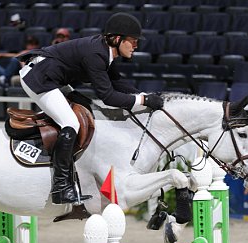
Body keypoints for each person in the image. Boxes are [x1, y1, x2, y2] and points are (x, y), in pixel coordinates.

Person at [18, 12, 164, 204]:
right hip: (40, 78)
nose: (136, 45)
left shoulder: (105, 51)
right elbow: (108, 96)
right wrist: (143, 101)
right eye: (133, 40)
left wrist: (144, 95)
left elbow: (116, 81)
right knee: (70, 123)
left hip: (55, 78)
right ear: (117, 39)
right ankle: (61, 187)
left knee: (87, 108)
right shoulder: (97, 54)